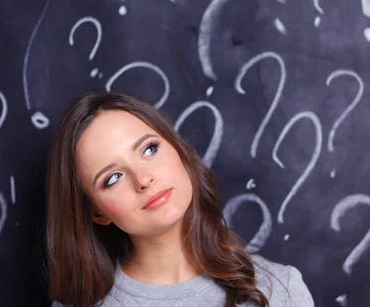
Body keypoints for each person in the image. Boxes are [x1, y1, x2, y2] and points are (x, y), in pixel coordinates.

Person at [45, 91, 314, 307]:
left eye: (149, 149)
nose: (143, 179)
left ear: (178, 150)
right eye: (112, 178)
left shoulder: (279, 290)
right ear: (98, 212)